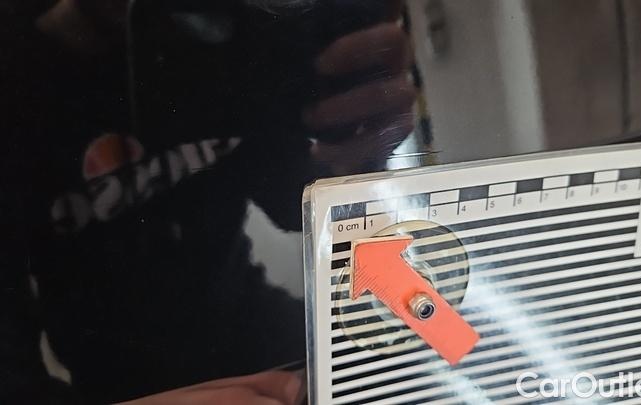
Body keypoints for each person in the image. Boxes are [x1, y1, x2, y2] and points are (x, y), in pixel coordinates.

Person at [0, 0, 415, 403]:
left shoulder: (213, 30)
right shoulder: (18, 71)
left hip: (253, 329)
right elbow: (13, 370)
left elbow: (293, 201)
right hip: (120, 378)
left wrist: (355, 149)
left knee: (411, 368)